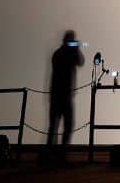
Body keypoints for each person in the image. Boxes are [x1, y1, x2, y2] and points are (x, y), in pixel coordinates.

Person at [43, 30, 84, 165]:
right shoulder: (60, 54)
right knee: (57, 127)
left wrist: (75, 50)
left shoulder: (61, 53)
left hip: (61, 95)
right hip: (62, 96)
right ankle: (54, 156)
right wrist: (73, 50)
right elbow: (78, 63)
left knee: (60, 126)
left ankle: (56, 155)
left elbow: (80, 62)